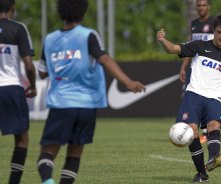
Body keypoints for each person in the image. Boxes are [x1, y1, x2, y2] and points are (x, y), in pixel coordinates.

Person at [36, 0, 145, 184]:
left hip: (62, 103)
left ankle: (48, 181)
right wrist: (127, 82)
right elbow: (104, 59)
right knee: (74, 154)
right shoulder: (88, 35)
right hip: (87, 105)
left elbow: (42, 72)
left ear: (60, 12)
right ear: (83, 12)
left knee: (46, 155)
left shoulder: (50, 39)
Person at [157, 15, 221, 182]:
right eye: (218, 32)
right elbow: (173, 49)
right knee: (191, 132)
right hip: (193, 95)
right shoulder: (199, 46)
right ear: (213, 31)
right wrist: (163, 40)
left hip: (215, 99)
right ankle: (202, 174)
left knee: (214, 125)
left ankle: (213, 158)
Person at [0, 0, 37, 183]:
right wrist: (33, 85)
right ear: (12, 9)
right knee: (22, 138)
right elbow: (29, 65)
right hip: (11, 87)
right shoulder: (18, 28)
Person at [180, 0, 214, 144]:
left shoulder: (215, 23)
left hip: (208, 69)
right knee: (187, 97)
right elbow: (191, 47)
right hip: (193, 68)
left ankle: (205, 132)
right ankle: (192, 130)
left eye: (204, 5)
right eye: (199, 5)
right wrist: (183, 67)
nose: (201, 8)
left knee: (205, 99)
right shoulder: (194, 24)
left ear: (209, 7)